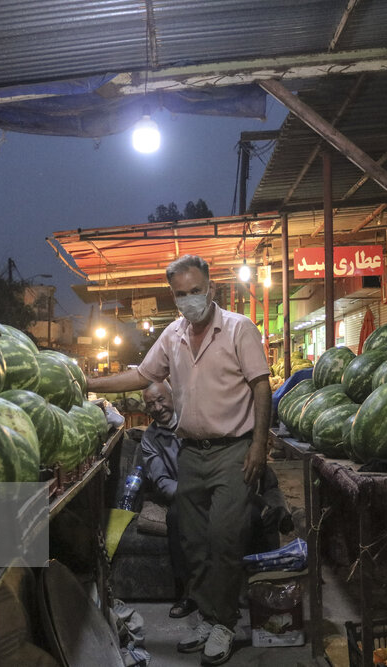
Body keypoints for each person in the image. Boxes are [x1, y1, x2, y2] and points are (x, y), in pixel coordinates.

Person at [88, 255, 271, 666]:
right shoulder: (173, 335)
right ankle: (207, 615)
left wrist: (259, 445)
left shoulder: (239, 328)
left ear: (211, 288)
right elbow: (142, 375)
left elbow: (262, 386)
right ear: (173, 296)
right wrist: (87, 382)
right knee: (193, 540)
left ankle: (224, 622)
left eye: (196, 290)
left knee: (225, 537)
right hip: (191, 452)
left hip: (234, 450)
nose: (190, 299)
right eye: (181, 294)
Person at [139, 380, 292, 622]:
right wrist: (193, 493)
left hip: (222, 485)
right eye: (150, 404)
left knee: (253, 516)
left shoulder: (195, 421)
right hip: (184, 494)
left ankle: (258, 586)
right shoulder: (150, 438)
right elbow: (162, 481)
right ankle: (190, 593)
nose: (157, 408)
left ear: (173, 396)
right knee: (176, 517)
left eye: (161, 400)